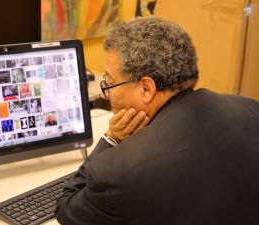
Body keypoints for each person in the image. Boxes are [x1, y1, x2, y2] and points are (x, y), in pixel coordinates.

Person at [55, 17, 259, 225]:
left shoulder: (119, 172)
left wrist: (111, 139)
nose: (107, 95)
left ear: (146, 88)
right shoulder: (250, 109)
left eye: (110, 83)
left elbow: (66, 209)